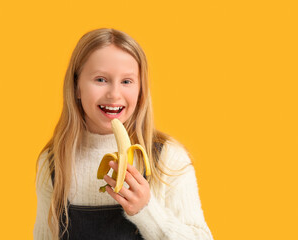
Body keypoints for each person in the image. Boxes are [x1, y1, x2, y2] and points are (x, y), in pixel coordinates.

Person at [33, 28, 214, 240]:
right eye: (100, 79)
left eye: (127, 81)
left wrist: (146, 211)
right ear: (76, 88)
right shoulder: (53, 162)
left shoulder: (167, 158)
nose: (114, 94)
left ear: (140, 90)